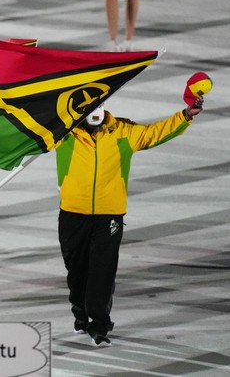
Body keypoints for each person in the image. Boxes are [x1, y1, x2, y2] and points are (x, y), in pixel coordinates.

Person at [55, 97, 204, 346]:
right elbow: (29, 134)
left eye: (99, 106)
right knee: (76, 271)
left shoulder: (123, 132)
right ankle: (80, 314)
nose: (96, 112)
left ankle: (100, 323)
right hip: (73, 213)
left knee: (102, 271)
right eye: (90, 108)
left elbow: (155, 133)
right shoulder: (63, 132)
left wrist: (185, 115)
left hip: (109, 215)